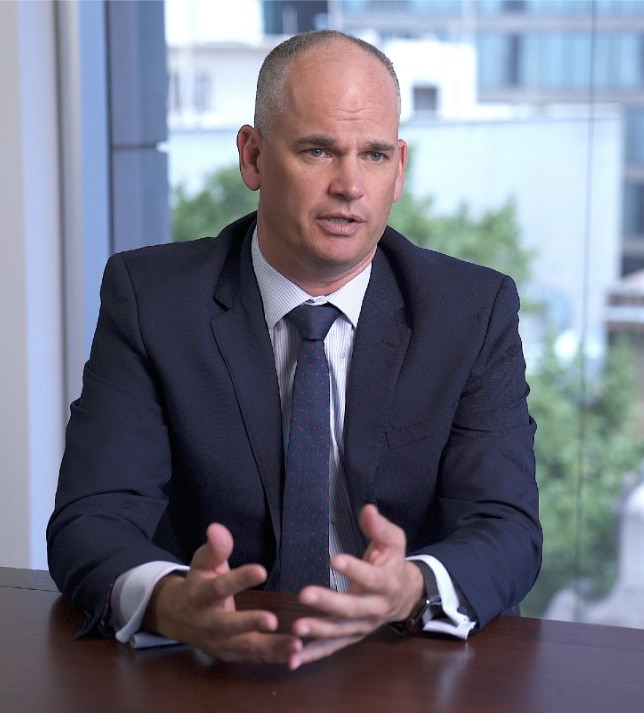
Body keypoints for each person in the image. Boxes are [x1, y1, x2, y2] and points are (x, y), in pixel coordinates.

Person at [47, 30, 541, 670]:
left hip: (405, 663)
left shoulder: (471, 310)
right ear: (252, 157)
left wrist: (410, 588)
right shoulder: (152, 301)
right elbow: (91, 519)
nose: (350, 185)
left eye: (374, 156)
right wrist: (172, 602)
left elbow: (507, 529)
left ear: (399, 170)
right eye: (318, 151)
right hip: (212, 666)